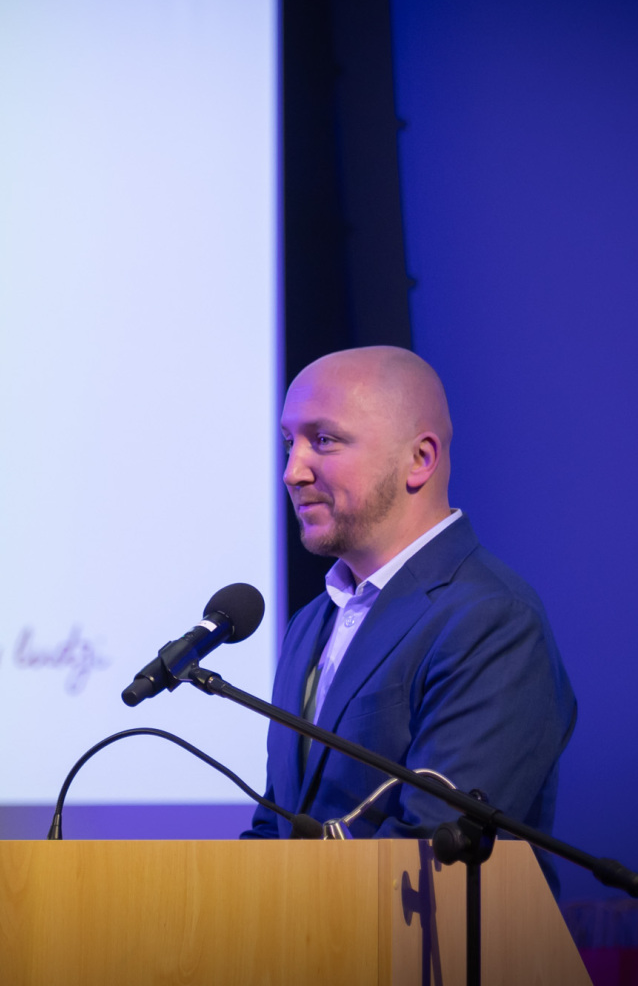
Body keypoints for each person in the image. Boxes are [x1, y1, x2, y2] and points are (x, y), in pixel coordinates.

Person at [243, 346, 576, 894]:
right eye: (289, 443)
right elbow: (276, 824)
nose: (292, 472)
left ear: (419, 459)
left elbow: (431, 850)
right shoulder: (311, 623)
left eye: (323, 440)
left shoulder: (492, 619)